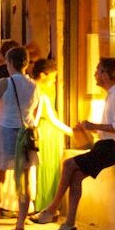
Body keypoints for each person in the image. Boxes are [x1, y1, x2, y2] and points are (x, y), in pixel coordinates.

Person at [33, 57, 115, 230]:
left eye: (98, 70)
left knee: (68, 164)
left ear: (105, 74)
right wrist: (89, 129)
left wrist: (94, 125)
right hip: (104, 144)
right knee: (75, 177)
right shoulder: (110, 95)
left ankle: (52, 208)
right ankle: (69, 224)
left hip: (112, 147)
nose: (95, 74)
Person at [0, 46, 40, 230]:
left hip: (5, 130)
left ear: (9, 62)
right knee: (24, 181)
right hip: (26, 134)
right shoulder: (34, 85)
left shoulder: (4, 82)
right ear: (26, 63)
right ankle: (20, 225)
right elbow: (33, 110)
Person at [30, 59, 69, 212]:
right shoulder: (41, 92)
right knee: (47, 169)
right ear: (43, 75)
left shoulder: (31, 88)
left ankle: (42, 204)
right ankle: (46, 205)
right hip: (47, 134)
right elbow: (52, 119)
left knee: (41, 170)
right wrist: (71, 131)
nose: (54, 81)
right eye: (52, 77)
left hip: (43, 132)